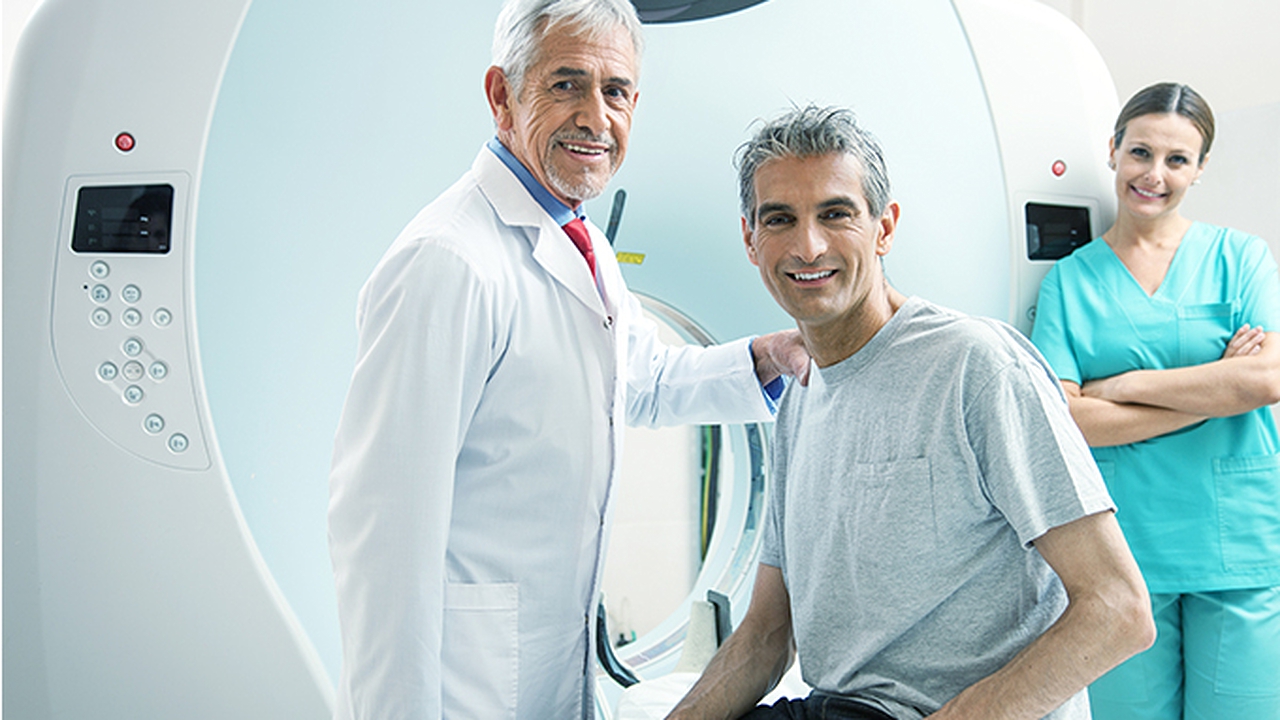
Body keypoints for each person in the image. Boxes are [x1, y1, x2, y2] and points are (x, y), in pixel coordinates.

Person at [326, 1, 809, 717]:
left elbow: (638, 381)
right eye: (566, 84)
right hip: (465, 689)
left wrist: (769, 357)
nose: (596, 117)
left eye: (616, 91)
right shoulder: (448, 262)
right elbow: (383, 534)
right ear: (502, 95)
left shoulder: (581, 241)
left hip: (551, 668)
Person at [665, 105, 1155, 720]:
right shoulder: (801, 397)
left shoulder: (975, 368)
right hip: (838, 708)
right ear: (750, 240)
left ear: (885, 228)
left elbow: (1119, 610)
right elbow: (766, 634)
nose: (808, 245)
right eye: (780, 219)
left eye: (836, 214)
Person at [1029, 82, 1280, 720]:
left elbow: (1267, 379)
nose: (1154, 175)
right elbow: (1068, 419)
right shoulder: (1070, 280)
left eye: (1177, 159)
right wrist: (1216, 388)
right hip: (1123, 554)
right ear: (1113, 150)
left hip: (1238, 544)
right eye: (1140, 152)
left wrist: (1125, 386)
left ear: (1200, 168)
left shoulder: (1241, 258)